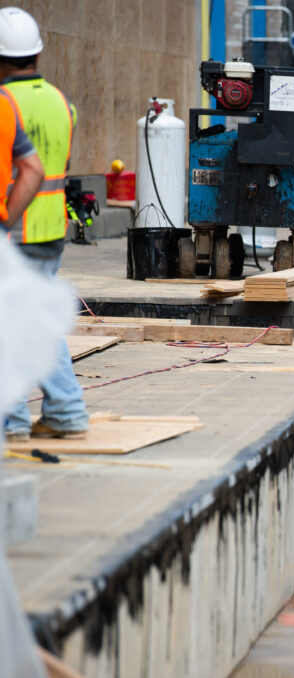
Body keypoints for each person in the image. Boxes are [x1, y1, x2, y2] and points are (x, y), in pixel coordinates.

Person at [0, 7, 88, 441]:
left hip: (15, 228)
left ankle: (18, 420)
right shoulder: (61, 102)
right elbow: (61, 166)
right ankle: (61, 413)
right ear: (37, 52)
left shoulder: (4, 104)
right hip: (53, 229)